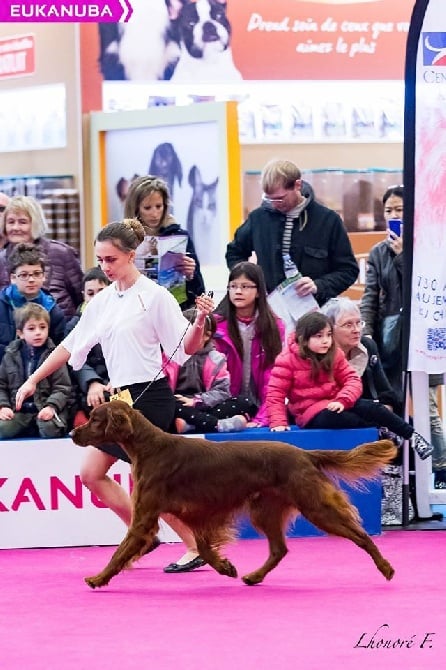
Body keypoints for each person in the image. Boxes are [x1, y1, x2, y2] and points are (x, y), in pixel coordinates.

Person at [15, 218, 215, 574]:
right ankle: (144, 535)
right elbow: (70, 344)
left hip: (150, 396)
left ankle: (195, 545)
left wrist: (199, 321)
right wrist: (32, 379)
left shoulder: (155, 297)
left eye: (111, 260)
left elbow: (185, 348)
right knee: (92, 473)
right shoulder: (103, 301)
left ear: (131, 256)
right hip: (121, 399)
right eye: (101, 260)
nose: (105, 267)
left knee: (151, 485)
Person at [360, 185, 446, 488]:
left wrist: (403, 256)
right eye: (389, 211)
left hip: (427, 333)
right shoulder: (377, 252)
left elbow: (423, 289)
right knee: (394, 398)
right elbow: (371, 296)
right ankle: (402, 474)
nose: (393, 216)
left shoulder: (430, 248)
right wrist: (366, 333)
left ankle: (440, 466)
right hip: (390, 337)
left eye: (399, 210)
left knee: (427, 402)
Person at [266, 311, 434, 461]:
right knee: (336, 418)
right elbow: (275, 393)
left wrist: (343, 400)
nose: (326, 341)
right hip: (310, 413)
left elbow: (352, 380)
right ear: (303, 338)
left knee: (372, 407)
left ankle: (412, 437)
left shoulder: (335, 354)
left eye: (328, 335)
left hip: (338, 402)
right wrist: (278, 423)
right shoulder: (286, 360)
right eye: (319, 336)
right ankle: (380, 431)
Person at [225, 159, 359, 306]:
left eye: (281, 198)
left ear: (297, 185)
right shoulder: (258, 218)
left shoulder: (328, 220)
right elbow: (234, 252)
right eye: (269, 199)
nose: (275, 204)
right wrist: (248, 280)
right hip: (268, 311)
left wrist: (319, 285)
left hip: (315, 314)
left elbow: (348, 270)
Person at [213, 262, 285, 428]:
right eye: (233, 286)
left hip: (258, 405)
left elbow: (273, 377)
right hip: (225, 402)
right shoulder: (216, 325)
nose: (238, 291)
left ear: (259, 291)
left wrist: (262, 417)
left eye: (245, 286)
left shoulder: (274, 326)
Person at [123, 175, 205, 309]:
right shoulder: (123, 238)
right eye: (147, 208)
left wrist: (191, 274)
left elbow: (199, 290)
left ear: (165, 206)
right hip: (135, 309)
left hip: (175, 309)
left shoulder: (179, 236)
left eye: (158, 206)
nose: (154, 214)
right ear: (136, 209)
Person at [0, 195, 83, 318]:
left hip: (63, 333)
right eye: (11, 222)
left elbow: (82, 299)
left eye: (22, 222)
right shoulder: (1, 260)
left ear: (35, 224)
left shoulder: (61, 253)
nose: (15, 228)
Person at [166, 309, 248, 434]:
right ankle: (216, 424)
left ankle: (192, 425)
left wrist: (196, 402)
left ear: (207, 335)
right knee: (168, 406)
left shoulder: (216, 359)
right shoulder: (169, 357)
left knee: (243, 402)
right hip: (178, 405)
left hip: (204, 405)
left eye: (191, 332)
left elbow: (222, 392)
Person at [0, 303, 71, 439]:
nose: (38, 332)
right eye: (31, 328)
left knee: (49, 430)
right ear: (20, 333)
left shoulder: (54, 355)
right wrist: (3, 407)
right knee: (2, 429)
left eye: (42, 327)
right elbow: (1, 385)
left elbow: (63, 388)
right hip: (18, 411)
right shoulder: (10, 355)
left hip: (45, 409)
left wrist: (51, 406)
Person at [0, 243, 66, 363]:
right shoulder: (2, 304)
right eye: (24, 275)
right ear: (13, 278)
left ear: (44, 276)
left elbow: (60, 350)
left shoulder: (52, 310)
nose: (31, 280)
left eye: (36, 274)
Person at [64, 267, 111, 426]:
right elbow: (74, 360)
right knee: (93, 402)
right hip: (86, 388)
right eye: (91, 293)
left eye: (101, 291)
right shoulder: (74, 325)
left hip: (117, 383)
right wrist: (92, 382)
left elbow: (129, 355)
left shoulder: (123, 321)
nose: (96, 298)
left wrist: (117, 380)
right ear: (84, 296)